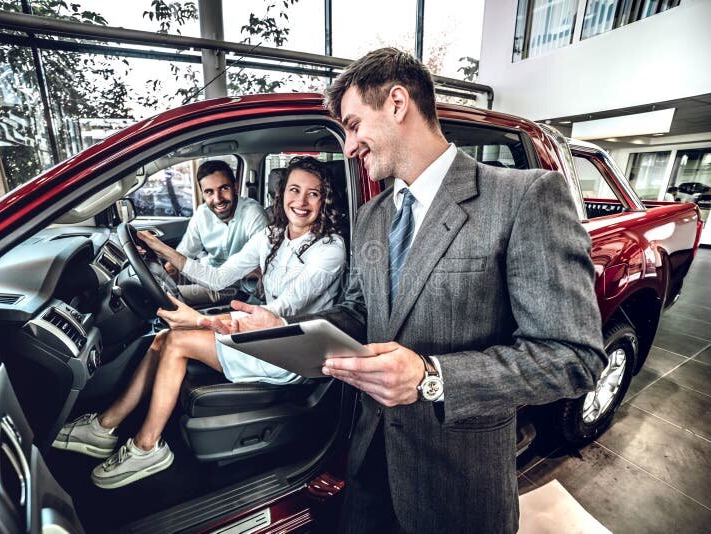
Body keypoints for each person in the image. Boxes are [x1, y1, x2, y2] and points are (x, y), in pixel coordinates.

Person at [202, 48, 607, 532]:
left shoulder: (523, 197)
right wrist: (285, 327)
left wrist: (431, 378)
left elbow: (573, 357)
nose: (349, 147)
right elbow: (358, 309)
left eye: (353, 125)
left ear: (397, 103)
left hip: (458, 484)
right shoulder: (373, 217)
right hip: (371, 464)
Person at [52, 156, 347, 489]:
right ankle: (104, 427)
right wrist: (158, 247)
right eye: (294, 190)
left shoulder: (330, 249)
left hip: (291, 350)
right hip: (262, 332)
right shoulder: (273, 235)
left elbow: (277, 313)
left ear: (325, 200)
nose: (302, 202)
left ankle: (147, 447)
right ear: (281, 194)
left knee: (177, 341)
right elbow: (218, 276)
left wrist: (199, 320)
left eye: (314, 194)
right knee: (164, 337)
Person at [158, 159, 268, 306]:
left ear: (235, 187)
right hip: (206, 274)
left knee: (165, 298)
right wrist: (162, 278)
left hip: (236, 286)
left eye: (224, 188)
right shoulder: (202, 214)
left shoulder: (253, 213)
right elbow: (182, 256)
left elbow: (261, 268)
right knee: (161, 289)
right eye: (209, 192)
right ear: (202, 194)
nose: (218, 199)